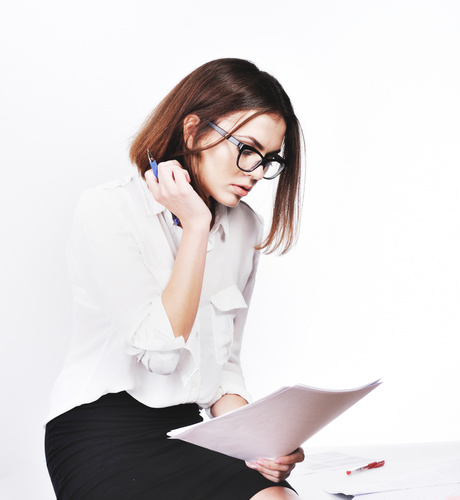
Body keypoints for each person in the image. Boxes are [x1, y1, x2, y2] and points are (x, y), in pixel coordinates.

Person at [45, 58, 304, 500]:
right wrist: (196, 227)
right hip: (98, 431)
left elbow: (224, 369)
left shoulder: (245, 228)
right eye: (247, 148)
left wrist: (260, 442)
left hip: (186, 429)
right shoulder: (108, 210)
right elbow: (161, 354)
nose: (258, 172)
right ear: (193, 131)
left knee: (276, 495)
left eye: (270, 159)